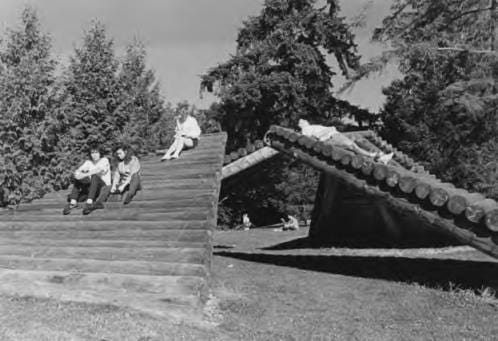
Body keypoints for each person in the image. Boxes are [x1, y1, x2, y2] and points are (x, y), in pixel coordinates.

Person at [298, 119, 393, 164]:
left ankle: (376, 156)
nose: (304, 120)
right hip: (330, 136)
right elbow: (307, 138)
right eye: (302, 121)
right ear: (301, 124)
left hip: (332, 135)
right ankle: (377, 156)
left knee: (353, 146)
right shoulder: (306, 129)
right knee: (352, 146)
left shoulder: (311, 127)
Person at [62, 145, 111, 215]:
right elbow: (78, 170)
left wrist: (84, 174)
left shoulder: (104, 160)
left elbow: (98, 170)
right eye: (92, 153)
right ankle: (73, 202)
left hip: (102, 187)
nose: (94, 155)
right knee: (78, 177)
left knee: (94, 176)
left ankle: (89, 202)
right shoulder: (88, 162)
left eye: (96, 152)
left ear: (100, 153)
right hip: (91, 188)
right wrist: (78, 174)